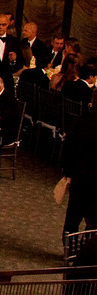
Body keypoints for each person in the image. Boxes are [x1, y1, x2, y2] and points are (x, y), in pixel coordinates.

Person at [62, 90, 97, 234]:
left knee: (73, 218)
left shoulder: (80, 121)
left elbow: (68, 148)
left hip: (80, 176)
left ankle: (69, 244)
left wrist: (67, 173)